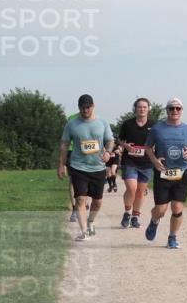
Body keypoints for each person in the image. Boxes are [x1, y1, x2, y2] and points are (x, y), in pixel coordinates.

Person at [57, 94, 114, 241]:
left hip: (98, 167)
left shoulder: (102, 122)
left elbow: (110, 140)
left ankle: (91, 221)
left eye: (88, 107)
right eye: (82, 108)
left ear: (93, 106)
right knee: (80, 199)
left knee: (97, 201)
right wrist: (61, 164)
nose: (85, 110)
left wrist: (108, 152)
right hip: (78, 166)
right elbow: (64, 144)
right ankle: (83, 232)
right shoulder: (72, 124)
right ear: (79, 108)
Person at [144, 97, 187, 249]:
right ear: (167, 110)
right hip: (163, 172)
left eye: (178, 108)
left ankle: (172, 237)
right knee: (161, 210)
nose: (175, 111)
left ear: (181, 110)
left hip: (182, 173)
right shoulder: (157, 129)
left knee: (177, 208)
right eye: (171, 108)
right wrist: (154, 161)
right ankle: (154, 220)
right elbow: (148, 147)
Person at [119, 98, 154, 228]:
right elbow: (120, 140)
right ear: (135, 109)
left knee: (140, 191)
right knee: (131, 188)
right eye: (139, 107)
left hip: (146, 162)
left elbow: (158, 140)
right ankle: (127, 213)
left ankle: (135, 216)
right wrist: (125, 146)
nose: (142, 109)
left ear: (148, 109)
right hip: (130, 161)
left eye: (145, 107)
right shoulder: (127, 124)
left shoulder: (154, 125)